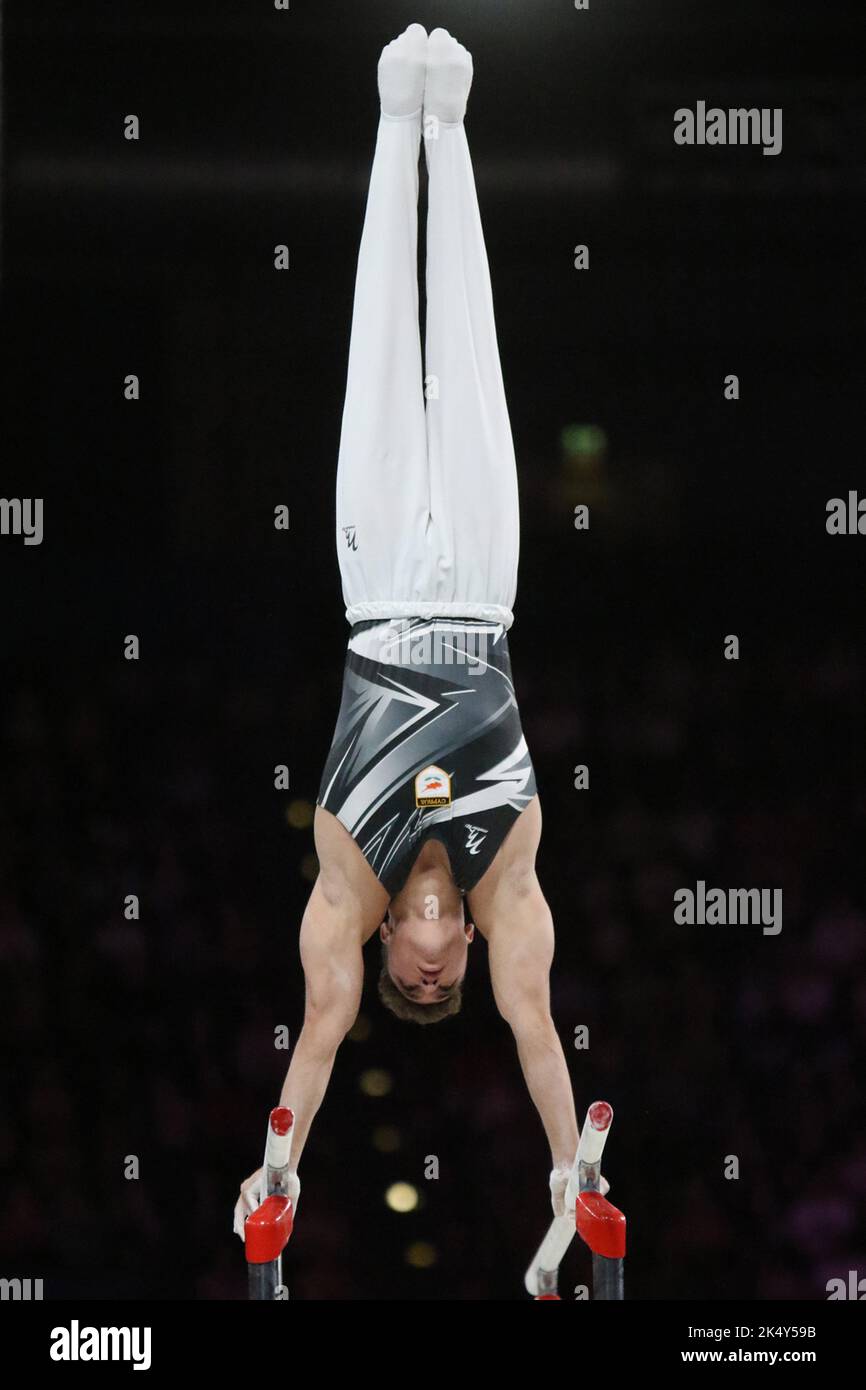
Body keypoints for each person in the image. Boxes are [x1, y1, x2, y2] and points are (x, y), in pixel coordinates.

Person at [234, 24, 603, 1248]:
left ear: (395, 934)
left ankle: (400, 118)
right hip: (486, 587)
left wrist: (274, 1164)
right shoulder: (509, 877)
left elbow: (323, 1032)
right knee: (474, 348)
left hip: (381, 576)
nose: (437, 967)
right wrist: (567, 1169)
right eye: (446, 977)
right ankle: (454, 123)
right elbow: (538, 1031)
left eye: (419, 971)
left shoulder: (347, 876)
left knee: (386, 348)